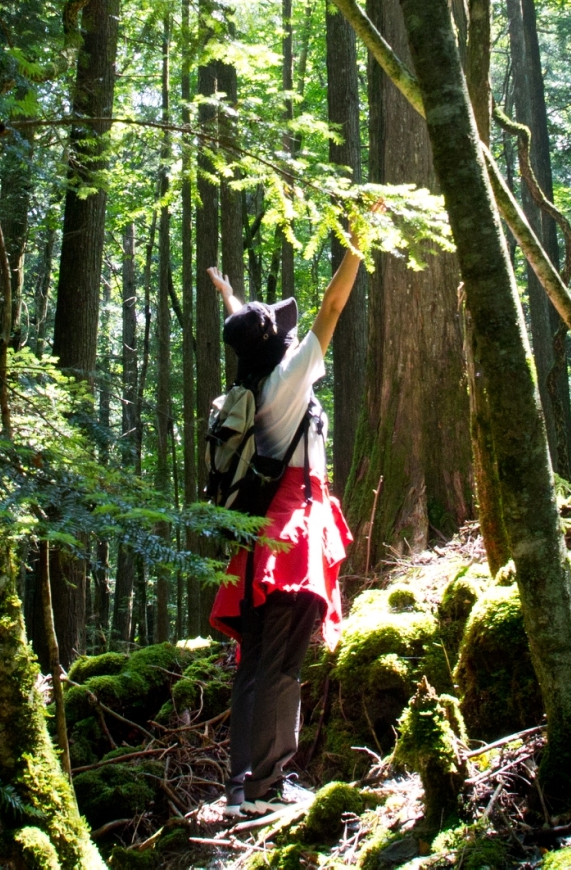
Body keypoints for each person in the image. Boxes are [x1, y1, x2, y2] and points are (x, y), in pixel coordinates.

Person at [205, 243, 361, 818]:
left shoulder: (251, 387)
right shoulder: (290, 380)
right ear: (275, 346)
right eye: (284, 332)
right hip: (291, 539)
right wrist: (357, 244)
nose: (294, 336)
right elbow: (332, 308)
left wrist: (230, 297)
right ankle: (267, 787)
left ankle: (240, 788)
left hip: (257, 545)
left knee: (254, 664)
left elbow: (253, 331)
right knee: (281, 665)